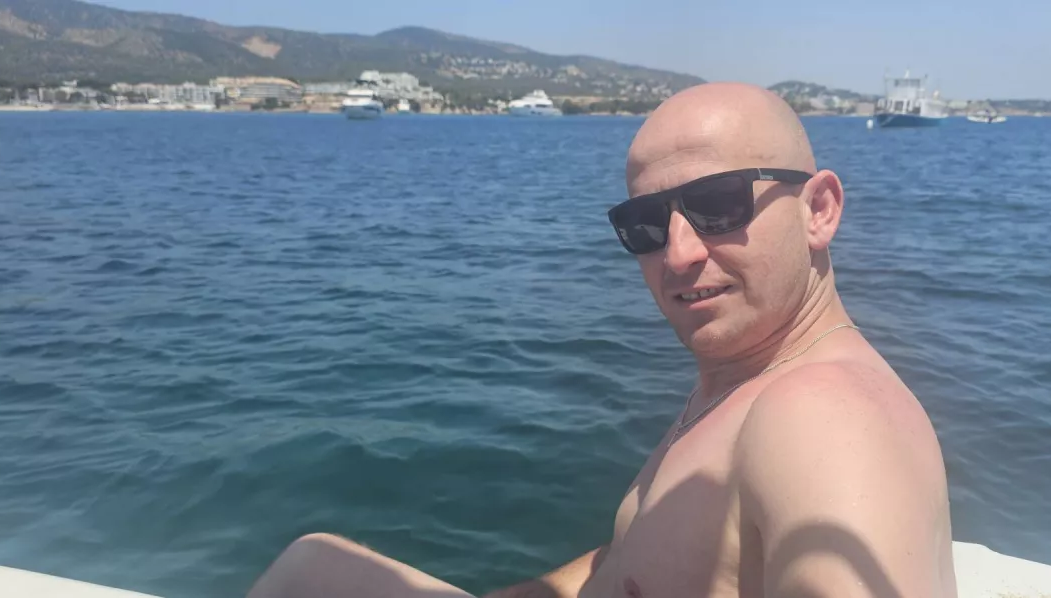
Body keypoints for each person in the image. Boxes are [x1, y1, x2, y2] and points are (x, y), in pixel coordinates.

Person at [248, 82, 956, 598]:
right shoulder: (742, 383)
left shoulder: (827, 417)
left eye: (718, 205)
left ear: (818, 210)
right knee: (316, 566)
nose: (678, 253)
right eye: (645, 224)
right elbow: (631, 558)